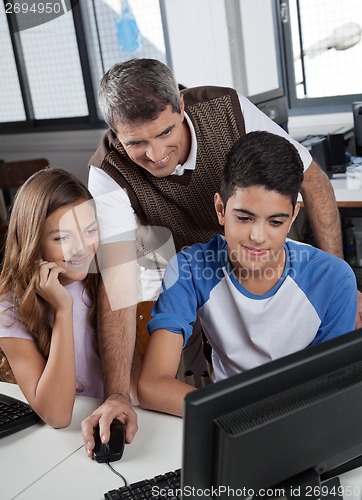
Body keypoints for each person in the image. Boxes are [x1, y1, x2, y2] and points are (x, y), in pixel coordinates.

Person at [83, 57, 357, 449]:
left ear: (180, 106)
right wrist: (117, 394)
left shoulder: (226, 108)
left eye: (164, 133)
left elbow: (312, 179)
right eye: (136, 143)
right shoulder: (108, 173)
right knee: (196, 364)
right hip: (195, 270)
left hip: (278, 272)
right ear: (116, 132)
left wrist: (334, 274)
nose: (157, 153)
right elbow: (119, 282)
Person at [137, 131, 358, 416]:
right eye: (244, 218)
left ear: (293, 217)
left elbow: (332, 388)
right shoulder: (190, 269)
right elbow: (152, 384)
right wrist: (243, 415)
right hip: (227, 420)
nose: (257, 236)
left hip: (301, 419)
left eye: (275, 222)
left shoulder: (334, 279)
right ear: (220, 209)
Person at [0, 168, 102, 429]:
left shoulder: (102, 281)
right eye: (62, 237)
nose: (81, 247)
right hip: (65, 435)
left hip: (114, 420)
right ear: (32, 241)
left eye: (90, 231)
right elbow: (56, 416)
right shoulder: (9, 309)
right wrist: (62, 311)